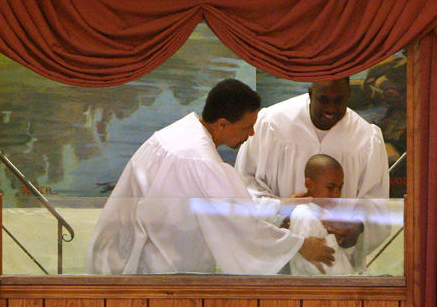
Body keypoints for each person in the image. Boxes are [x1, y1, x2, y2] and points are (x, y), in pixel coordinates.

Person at [84, 78, 335, 275]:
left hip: (134, 259)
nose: (251, 135)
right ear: (223, 124)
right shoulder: (199, 158)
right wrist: (299, 245)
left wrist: (280, 207)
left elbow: (229, 205)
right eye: (247, 128)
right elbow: (240, 225)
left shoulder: (180, 135)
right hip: (150, 270)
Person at [234, 77, 389, 270]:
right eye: (323, 100)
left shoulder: (366, 138)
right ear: (310, 93)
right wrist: (281, 213)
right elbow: (243, 190)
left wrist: (357, 227)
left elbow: (377, 204)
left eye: (339, 101)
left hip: (333, 260)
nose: (331, 109)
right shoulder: (271, 124)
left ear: (348, 96)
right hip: (274, 260)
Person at [288, 154, 355, 275]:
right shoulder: (306, 216)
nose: (336, 194)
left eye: (340, 187)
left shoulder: (326, 213)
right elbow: (319, 267)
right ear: (309, 185)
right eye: (330, 187)